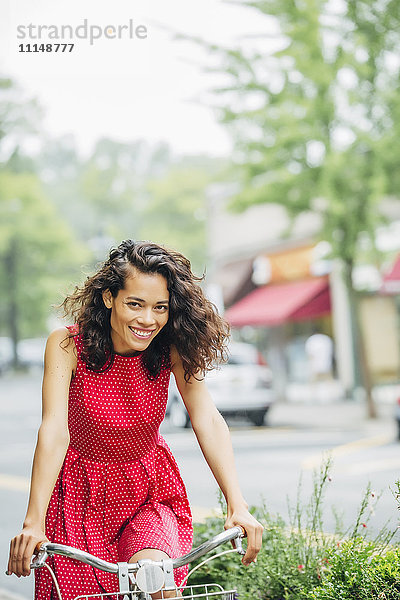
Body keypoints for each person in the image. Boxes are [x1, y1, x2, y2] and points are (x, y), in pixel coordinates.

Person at [7, 240, 263, 600]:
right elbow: (54, 430)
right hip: (79, 498)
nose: (148, 320)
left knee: (156, 580)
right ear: (109, 297)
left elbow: (205, 415)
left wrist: (237, 504)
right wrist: (33, 522)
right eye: (135, 304)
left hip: (148, 494)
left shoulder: (169, 347)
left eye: (160, 307)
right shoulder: (67, 345)